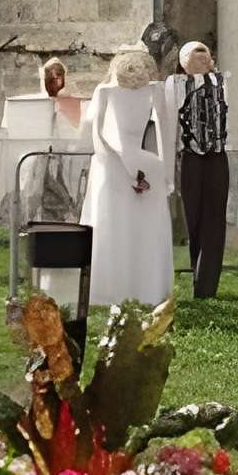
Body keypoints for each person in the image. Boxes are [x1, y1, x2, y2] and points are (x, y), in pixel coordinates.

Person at [80, 46, 175, 309]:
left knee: (142, 229)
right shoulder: (106, 91)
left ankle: (146, 286)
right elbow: (98, 136)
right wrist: (143, 168)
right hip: (113, 162)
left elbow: (165, 134)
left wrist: (166, 173)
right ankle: (114, 287)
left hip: (124, 162)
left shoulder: (153, 90)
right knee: (113, 225)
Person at [176, 39, 229, 300]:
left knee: (214, 220)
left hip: (217, 156)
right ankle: (194, 274)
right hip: (190, 156)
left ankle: (207, 286)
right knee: (192, 218)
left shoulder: (223, 82)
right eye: (197, 58)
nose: (204, 61)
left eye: (205, 56)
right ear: (184, 64)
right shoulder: (176, 86)